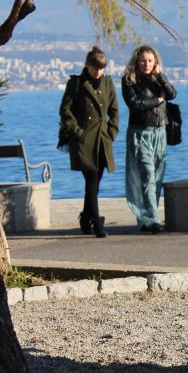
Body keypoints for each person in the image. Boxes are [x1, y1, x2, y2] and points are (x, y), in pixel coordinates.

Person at [59, 46, 119, 238]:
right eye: (95, 68)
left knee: (95, 183)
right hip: (83, 142)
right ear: (87, 65)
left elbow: (115, 110)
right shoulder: (76, 83)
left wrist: (112, 131)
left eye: (101, 68)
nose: (98, 72)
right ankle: (97, 224)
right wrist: (77, 132)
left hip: (102, 141)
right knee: (92, 179)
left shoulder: (108, 83)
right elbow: (65, 110)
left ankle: (85, 218)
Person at [121, 45, 176, 233]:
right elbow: (135, 104)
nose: (146, 64)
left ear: (155, 62)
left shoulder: (158, 80)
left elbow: (172, 94)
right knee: (147, 175)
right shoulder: (128, 81)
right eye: (143, 60)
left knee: (157, 176)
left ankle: (144, 218)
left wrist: (160, 76)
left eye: (150, 61)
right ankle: (153, 220)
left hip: (160, 132)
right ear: (137, 61)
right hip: (140, 133)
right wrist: (158, 100)